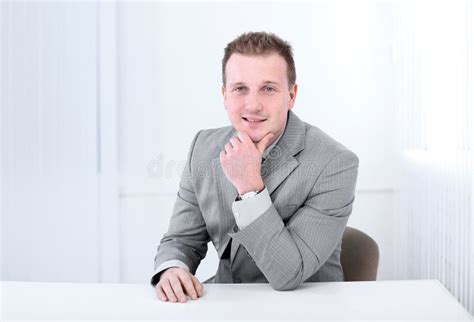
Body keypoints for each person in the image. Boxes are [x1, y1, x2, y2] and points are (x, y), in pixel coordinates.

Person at [150, 32, 359, 303]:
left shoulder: (335, 163)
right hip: (230, 306)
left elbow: (288, 275)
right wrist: (172, 269)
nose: (253, 104)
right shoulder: (203, 148)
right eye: (240, 89)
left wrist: (249, 188)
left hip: (305, 308)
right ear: (225, 96)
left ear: (291, 95)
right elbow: (181, 240)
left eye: (268, 88)